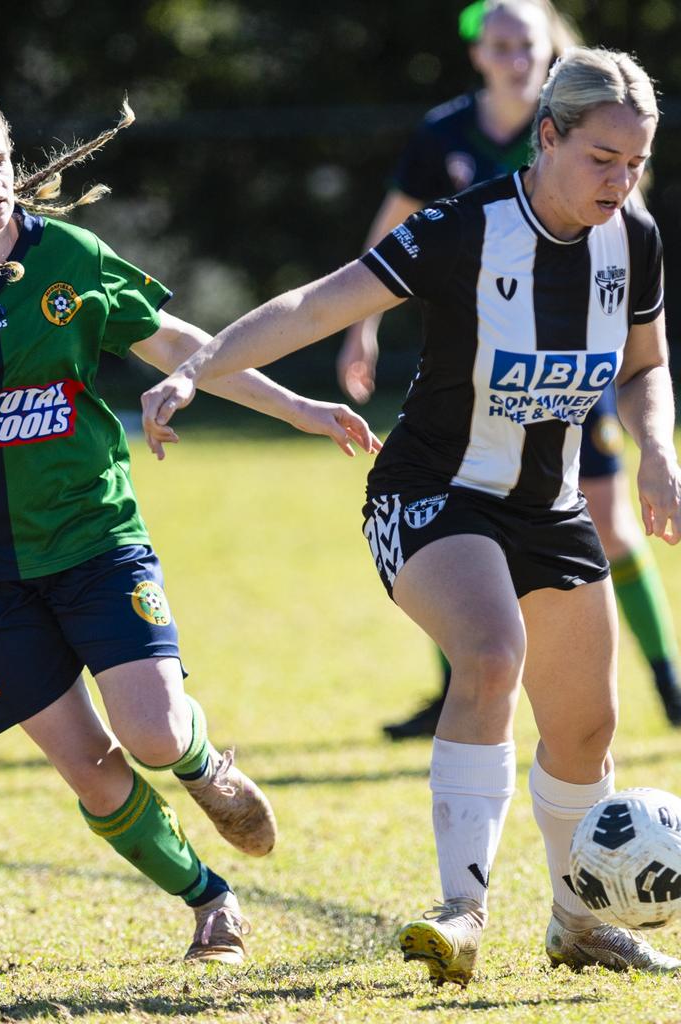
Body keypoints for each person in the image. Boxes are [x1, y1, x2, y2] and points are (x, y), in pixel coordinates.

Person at [141, 48, 681, 984]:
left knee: (587, 728)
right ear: (547, 136)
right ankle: (462, 911)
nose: (619, 180)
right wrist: (199, 366)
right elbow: (319, 300)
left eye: (634, 163)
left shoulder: (631, 239)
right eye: (601, 158)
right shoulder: (466, 227)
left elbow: (643, 368)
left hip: (546, 505)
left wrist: (658, 451)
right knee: (489, 651)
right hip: (430, 490)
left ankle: (579, 924)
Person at [0, 85, 379, 966]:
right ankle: (210, 901)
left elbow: (174, 343)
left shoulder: (70, 259)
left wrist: (293, 408)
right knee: (89, 767)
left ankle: (207, 768)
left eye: (0, 162)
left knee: (158, 732)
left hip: (92, 535)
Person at [335, 0, 681, 739]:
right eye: (500, 45)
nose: (515, 58)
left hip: (571, 371)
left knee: (612, 526)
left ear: (546, 46)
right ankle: (463, 677)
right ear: (479, 54)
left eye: (527, 43)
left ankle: (667, 679)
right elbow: (393, 233)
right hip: (483, 371)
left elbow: (625, 246)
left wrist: (657, 444)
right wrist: (360, 325)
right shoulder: (446, 134)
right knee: (462, 524)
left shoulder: (603, 121)